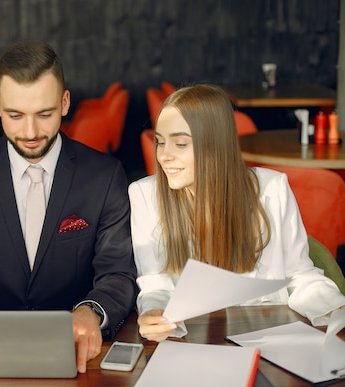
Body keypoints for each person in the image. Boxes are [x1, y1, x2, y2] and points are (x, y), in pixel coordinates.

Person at [0, 40, 137, 373]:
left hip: (79, 355)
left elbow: (118, 272)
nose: (30, 132)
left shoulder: (105, 176)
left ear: (64, 103)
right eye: (15, 115)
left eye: (44, 114)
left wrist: (92, 310)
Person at [129, 84, 345, 342]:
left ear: (216, 144)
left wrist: (334, 306)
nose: (164, 156)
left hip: (268, 336)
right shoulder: (144, 195)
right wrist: (155, 312)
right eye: (160, 142)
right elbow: (155, 283)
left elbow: (300, 275)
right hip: (192, 342)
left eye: (180, 143)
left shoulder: (272, 189)